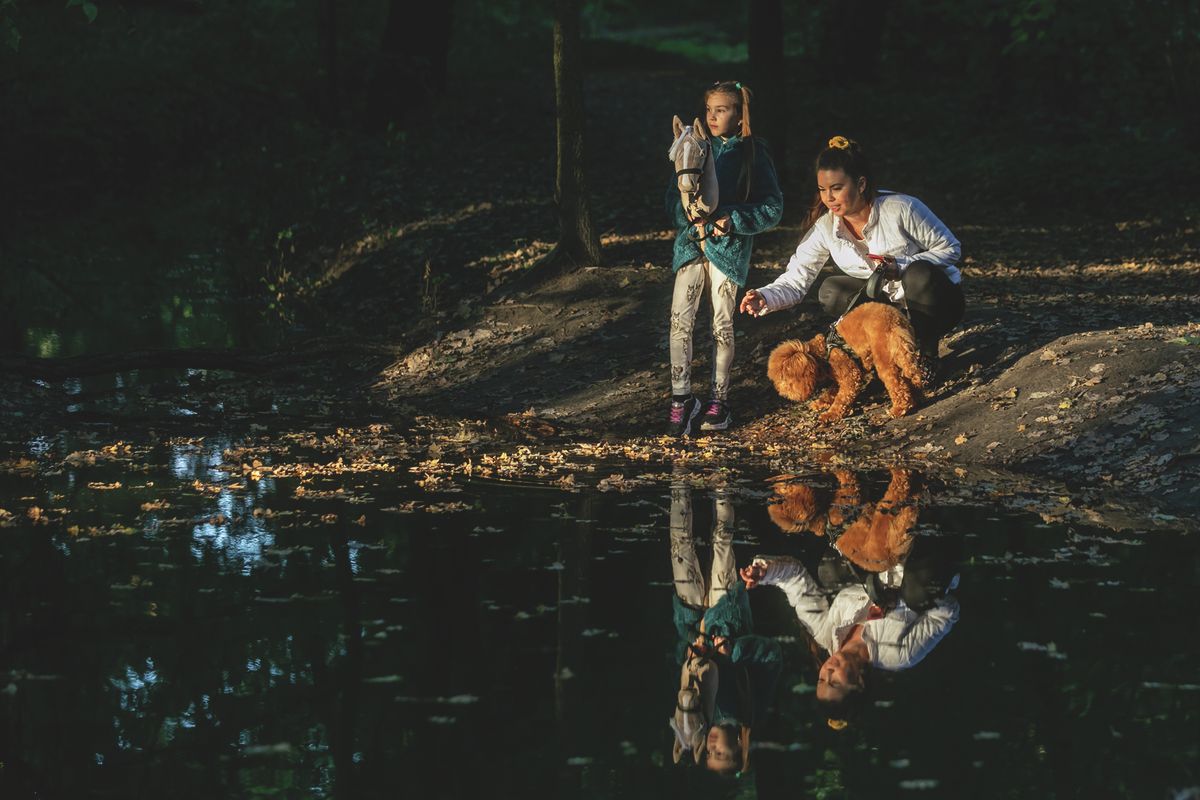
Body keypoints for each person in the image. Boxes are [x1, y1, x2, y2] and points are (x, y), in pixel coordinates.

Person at [740, 135, 964, 377]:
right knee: (831, 290)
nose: (829, 198)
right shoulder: (826, 227)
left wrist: (901, 266)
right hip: (891, 313)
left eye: (837, 188)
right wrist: (765, 296)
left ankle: (927, 355)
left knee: (918, 273)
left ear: (861, 184)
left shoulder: (902, 208)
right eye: (823, 190)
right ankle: (887, 352)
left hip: (938, 305)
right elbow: (797, 277)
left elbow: (951, 248)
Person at [666, 80, 783, 436]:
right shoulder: (694, 145)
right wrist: (686, 215)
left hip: (728, 251)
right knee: (679, 321)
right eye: (709, 110)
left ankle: (720, 400)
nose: (713, 116)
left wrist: (733, 220)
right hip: (690, 246)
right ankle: (681, 398)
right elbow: (672, 200)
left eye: (722, 110)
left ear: (739, 114)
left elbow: (772, 208)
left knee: (721, 324)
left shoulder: (754, 153)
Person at [666, 469, 782, 775]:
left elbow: (682, 666)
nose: (716, 747)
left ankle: (680, 477)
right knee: (722, 541)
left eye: (711, 754)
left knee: (681, 547)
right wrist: (735, 650)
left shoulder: (697, 720)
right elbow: (772, 655)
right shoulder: (752, 711)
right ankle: (722, 477)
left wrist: (689, 651)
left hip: (691, 618)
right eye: (724, 754)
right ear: (740, 751)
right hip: (728, 613)